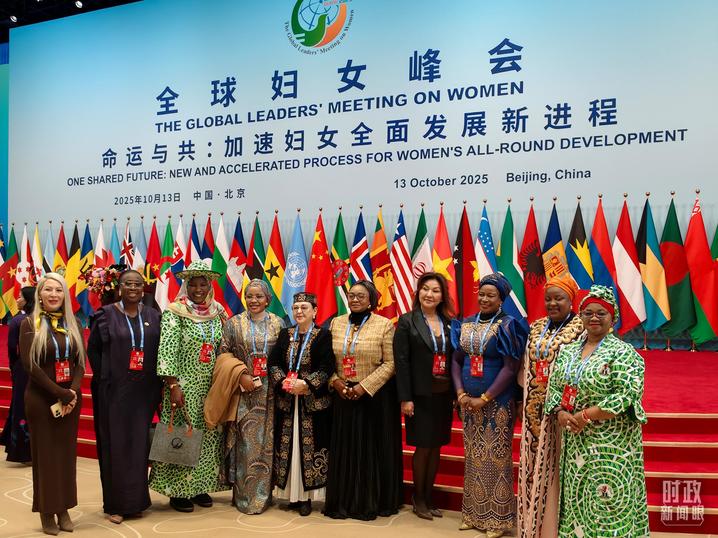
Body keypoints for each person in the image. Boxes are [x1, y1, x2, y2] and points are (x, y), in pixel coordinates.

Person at [546, 285, 649, 537]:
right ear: (580, 316)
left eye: (601, 313)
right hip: (575, 441)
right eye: (588, 313)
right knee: (577, 499)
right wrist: (560, 412)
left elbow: (626, 395)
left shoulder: (624, 353)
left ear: (613, 318)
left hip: (611, 443)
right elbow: (554, 387)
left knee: (609, 503)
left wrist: (585, 415)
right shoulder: (568, 351)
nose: (594, 318)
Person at [450, 273, 527, 538]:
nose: (484, 299)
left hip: (498, 403)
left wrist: (484, 398)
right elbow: (456, 361)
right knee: (472, 457)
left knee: (495, 459)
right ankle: (472, 514)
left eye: (490, 295)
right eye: (481, 294)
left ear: (501, 299)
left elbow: (510, 368)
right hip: (468, 403)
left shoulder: (508, 325)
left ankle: (498, 520)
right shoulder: (466, 324)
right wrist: (460, 393)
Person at [148, 260, 228, 513]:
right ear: (185, 285)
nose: (198, 289)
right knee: (182, 435)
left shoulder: (218, 312)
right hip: (182, 385)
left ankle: (200, 486)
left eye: (203, 284)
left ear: (210, 286)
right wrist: (172, 384)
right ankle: (177, 490)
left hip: (210, 386)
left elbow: (225, 346)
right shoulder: (175, 311)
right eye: (192, 284)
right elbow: (168, 349)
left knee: (208, 435)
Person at [87, 269, 163, 524]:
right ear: (119, 287)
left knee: (138, 446)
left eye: (137, 284)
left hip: (144, 393)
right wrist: (105, 379)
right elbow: (93, 350)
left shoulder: (153, 315)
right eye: (128, 283)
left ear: (143, 289)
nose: (133, 288)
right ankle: (116, 505)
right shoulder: (105, 315)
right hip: (113, 393)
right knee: (115, 445)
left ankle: (136, 502)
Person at [324, 280, 403, 520]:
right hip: (342, 395)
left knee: (368, 452)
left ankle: (367, 502)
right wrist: (335, 382)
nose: (355, 299)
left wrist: (364, 387)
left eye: (361, 296)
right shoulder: (336, 323)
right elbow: (326, 360)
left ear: (371, 300)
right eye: (351, 295)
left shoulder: (384, 325)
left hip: (372, 398)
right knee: (344, 451)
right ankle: (343, 501)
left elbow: (390, 363)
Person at [204, 278, 284, 514]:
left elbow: (285, 354)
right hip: (243, 392)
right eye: (249, 296)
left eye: (259, 296)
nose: (254, 300)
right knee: (246, 443)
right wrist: (240, 375)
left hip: (270, 392)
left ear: (268, 299)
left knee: (267, 444)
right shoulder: (233, 323)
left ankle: (263, 496)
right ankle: (243, 496)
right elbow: (223, 354)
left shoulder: (278, 323)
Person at [517, 274, 585, 538]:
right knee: (535, 465)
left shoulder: (581, 328)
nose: (552, 303)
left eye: (559, 298)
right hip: (534, 409)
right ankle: (532, 525)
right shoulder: (536, 327)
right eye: (548, 299)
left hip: (564, 411)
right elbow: (525, 365)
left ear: (571, 300)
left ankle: (555, 529)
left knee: (558, 466)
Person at [19, 274, 85, 535]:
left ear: (64, 295)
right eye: (48, 289)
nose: (54, 294)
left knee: (66, 457)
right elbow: (30, 366)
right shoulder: (29, 324)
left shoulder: (73, 322)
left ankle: (64, 508)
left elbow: (80, 362)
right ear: (40, 294)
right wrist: (61, 393)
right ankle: (47, 511)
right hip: (42, 399)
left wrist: (72, 392)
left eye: (59, 290)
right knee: (46, 457)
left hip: (70, 400)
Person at [394, 272, 454, 520]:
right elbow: (402, 362)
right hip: (419, 396)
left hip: (443, 395)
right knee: (423, 447)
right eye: (425, 289)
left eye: (435, 290)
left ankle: (429, 497)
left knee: (437, 446)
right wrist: (405, 397)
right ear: (418, 292)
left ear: (442, 296)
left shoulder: (449, 322)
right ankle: (418, 498)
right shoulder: (407, 321)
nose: (430, 294)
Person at [268, 292, 334, 516]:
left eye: (304, 308)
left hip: (312, 403)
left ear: (315, 311)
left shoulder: (323, 335)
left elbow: (327, 366)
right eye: (296, 308)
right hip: (287, 401)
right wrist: (283, 382)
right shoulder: (285, 334)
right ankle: (290, 495)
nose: (299, 312)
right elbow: (274, 363)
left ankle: (307, 498)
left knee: (309, 449)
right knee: (288, 447)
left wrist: (307, 384)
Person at [1, 286, 35, 463]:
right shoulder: (42, 319)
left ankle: (20, 450)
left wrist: (14, 367)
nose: (17, 299)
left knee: (20, 405)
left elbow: (12, 348)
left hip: (22, 368)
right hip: (41, 367)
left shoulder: (17, 321)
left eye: (20, 296)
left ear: (28, 300)